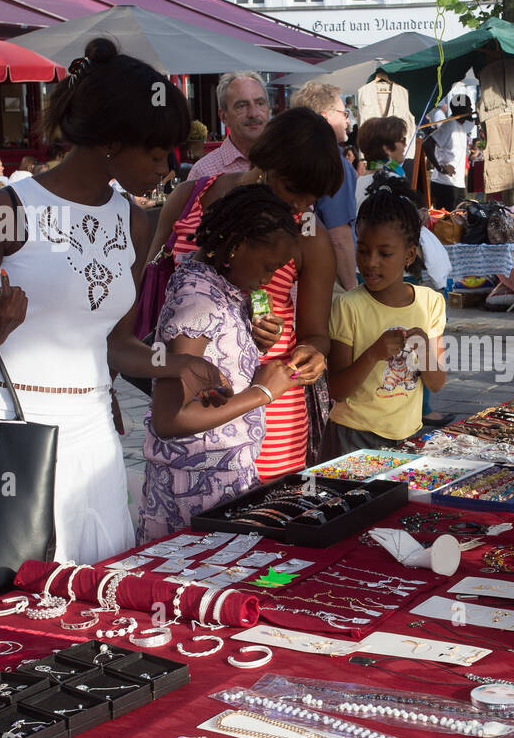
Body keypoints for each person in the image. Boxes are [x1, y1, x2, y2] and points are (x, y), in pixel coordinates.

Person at [0, 38, 223, 566]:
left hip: (94, 432)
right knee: (18, 590)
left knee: (96, 590)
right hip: (12, 424)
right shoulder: (6, 208)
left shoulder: (136, 222)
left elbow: (118, 345)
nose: (167, 166)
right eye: (154, 150)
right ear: (111, 142)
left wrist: (178, 365)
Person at [155, 108, 342, 479]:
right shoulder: (191, 197)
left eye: (312, 198)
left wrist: (313, 353)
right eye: (293, 189)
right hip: (191, 401)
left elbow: (316, 333)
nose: (301, 206)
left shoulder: (310, 234)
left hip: (273, 410)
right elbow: (154, 288)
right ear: (265, 161)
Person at [138, 185, 302, 541]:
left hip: (221, 480)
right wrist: (261, 393)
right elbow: (170, 418)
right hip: (194, 491)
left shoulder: (224, 285)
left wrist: (257, 341)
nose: (269, 279)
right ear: (238, 244)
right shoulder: (196, 302)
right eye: (267, 266)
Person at [324, 173, 446, 456]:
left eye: (385, 253)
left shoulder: (430, 303)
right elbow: (337, 390)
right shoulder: (348, 306)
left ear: (409, 255)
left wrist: (424, 349)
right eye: (363, 250)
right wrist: (372, 354)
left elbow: (437, 383)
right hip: (352, 438)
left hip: (407, 437)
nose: (371, 263)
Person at [292, 83, 360, 291]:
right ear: (325, 117)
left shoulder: (295, 156)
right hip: (328, 274)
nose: (348, 119)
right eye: (344, 113)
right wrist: (352, 290)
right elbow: (339, 236)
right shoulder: (334, 164)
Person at [187, 71, 271, 180]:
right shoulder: (204, 172)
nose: (253, 113)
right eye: (241, 106)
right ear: (223, 117)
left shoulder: (286, 159)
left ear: (268, 110)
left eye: (260, 103)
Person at [423, 90, 475, 210]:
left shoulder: (463, 125)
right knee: (447, 225)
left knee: (458, 222)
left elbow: (472, 121)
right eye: (468, 107)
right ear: (459, 110)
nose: (471, 110)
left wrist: (470, 114)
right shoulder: (449, 126)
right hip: (444, 184)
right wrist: (439, 167)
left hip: (458, 184)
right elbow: (427, 144)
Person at [355, 115, 408, 211]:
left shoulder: (359, 181)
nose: (405, 144)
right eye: (402, 140)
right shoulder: (394, 180)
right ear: (387, 148)